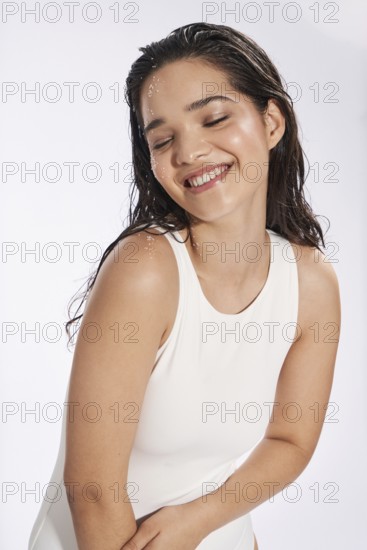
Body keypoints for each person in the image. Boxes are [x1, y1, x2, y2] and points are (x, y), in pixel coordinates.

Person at [28, 22, 341, 550]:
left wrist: (199, 522)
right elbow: (93, 490)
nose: (190, 152)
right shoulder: (146, 269)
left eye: (214, 118)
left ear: (271, 122)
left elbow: (291, 440)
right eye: (163, 139)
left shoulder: (312, 282)